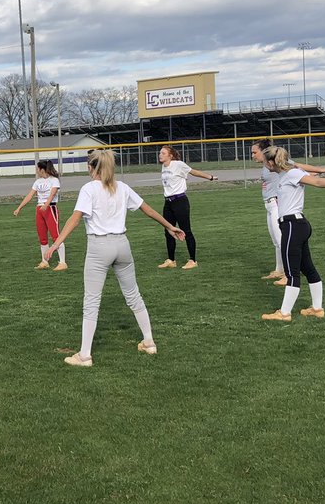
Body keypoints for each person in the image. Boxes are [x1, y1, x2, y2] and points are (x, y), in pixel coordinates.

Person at [42, 150, 185, 367]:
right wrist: (170, 226)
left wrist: (56, 243)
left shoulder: (89, 189)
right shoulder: (123, 187)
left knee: (91, 302)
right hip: (122, 246)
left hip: (100, 247)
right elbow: (147, 210)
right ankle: (149, 342)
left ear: (92, 168)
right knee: (133, 295)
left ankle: (84, 355)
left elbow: (75, 218)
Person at [259, 145, 325, 322]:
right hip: (295, 225)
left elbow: (318, 182)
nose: (264, 165)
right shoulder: (284, 175)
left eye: (265, 162)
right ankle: (317, 309)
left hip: (293, 225)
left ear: (272, 162)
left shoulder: (293, 174)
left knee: (291, 272)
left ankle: (284, 313)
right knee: (307, 268)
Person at [250, 139, 325, 285]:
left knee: (281, 240)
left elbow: (298, 166)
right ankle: (279, 270)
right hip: (269, 205)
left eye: (254, 152)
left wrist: (320, 170)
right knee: (276, 241)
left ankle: (287, 275)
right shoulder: (266, 165)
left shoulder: (276, 161)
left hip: (278, 205)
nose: (252, 155)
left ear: (264, 151)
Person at [156, 145, 217, 270]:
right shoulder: (164, 166)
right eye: (160, 153)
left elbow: (193, 172)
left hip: (180, 201)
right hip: (168, 203)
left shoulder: (178, 164)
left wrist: (210, 177)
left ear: (170, 155)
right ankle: (171, 260)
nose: (160, 155)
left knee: (186, 230)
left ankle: (193, 260)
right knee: (168, 231)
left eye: (163, 153)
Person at [13, 159, 67, 270]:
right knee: (42, 237)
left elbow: (52, 194)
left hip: (50, 208)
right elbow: (30, 195)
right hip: (39, 210)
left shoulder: (54, 180)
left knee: (56, 236)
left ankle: (62, 263)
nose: (36, 170)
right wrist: (19, 208)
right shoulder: (38, 182)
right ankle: (44, 261)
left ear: (42, 169)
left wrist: (46, 205)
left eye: (37, 168)